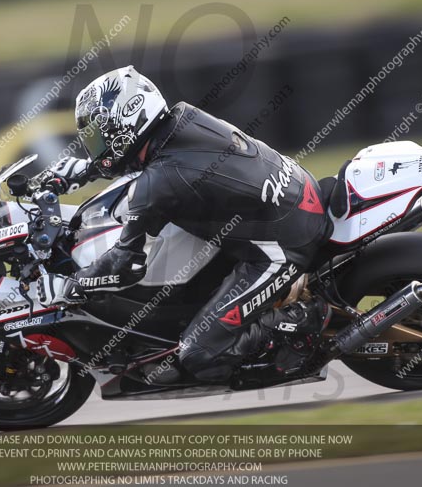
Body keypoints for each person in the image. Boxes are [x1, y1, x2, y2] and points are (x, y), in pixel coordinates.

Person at [32, 65, 331, 383]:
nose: (94, 146)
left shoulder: (157, 184)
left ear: (125, 124)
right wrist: (82, 170)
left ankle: (302, 319)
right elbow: (142, 159)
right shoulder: (182, 119)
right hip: (297, 192)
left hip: (282, 248)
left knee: (199, 355)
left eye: (98, 135)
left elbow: (126, 266)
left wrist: (70, 287)